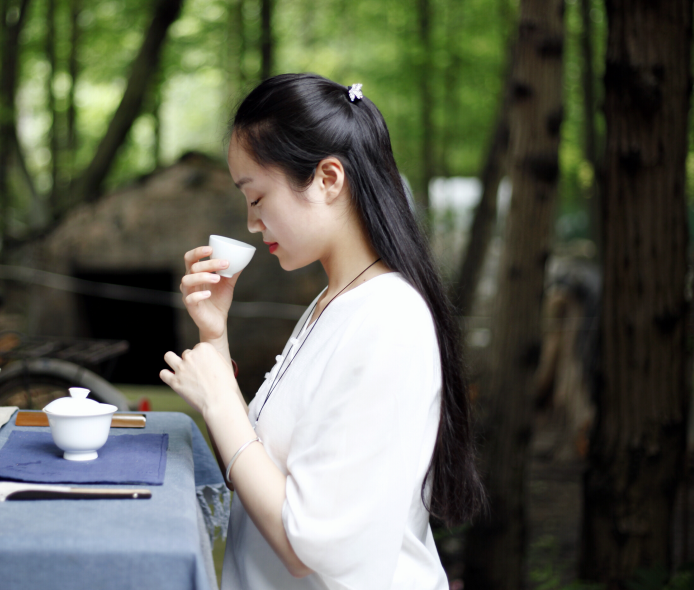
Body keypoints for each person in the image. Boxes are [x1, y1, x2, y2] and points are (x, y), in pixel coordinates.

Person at [160, 74, 485, 589]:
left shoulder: (390, 320)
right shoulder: (332, 303)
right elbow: (252, 467)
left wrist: (219, 398)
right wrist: (214, 334)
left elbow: (305, 548)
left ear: (329, 179)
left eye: (257, 197)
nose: (251, 222)